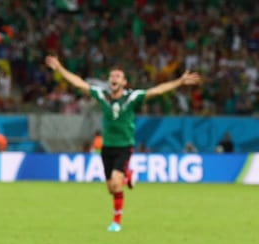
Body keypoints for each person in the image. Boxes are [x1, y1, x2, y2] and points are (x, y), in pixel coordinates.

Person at [44, 56, 201, 232]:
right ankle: (128, 176)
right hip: (107, 147)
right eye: (112, 76)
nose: (114, 78)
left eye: (118, 76)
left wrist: (179, 82)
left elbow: (156, 91)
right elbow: (79, 83)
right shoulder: (102, 95)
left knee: (117, 184)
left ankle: (116, 222)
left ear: (124, 82)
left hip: (124, 146)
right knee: (112, 188)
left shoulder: (132, 98)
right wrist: (60, 68)